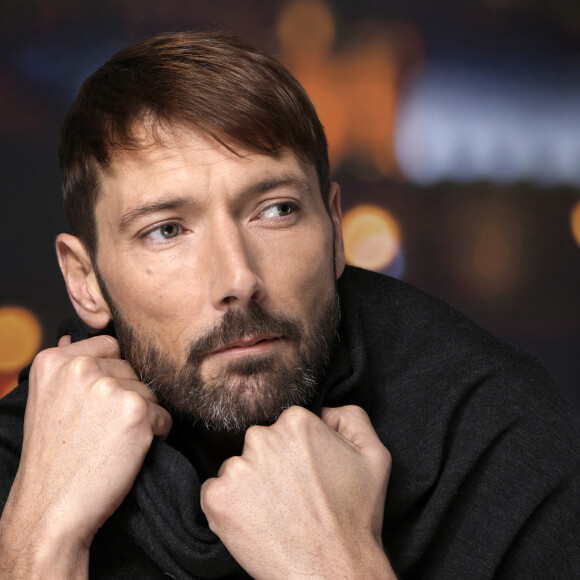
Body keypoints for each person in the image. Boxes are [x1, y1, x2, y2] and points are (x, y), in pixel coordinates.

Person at [0, 31, 578, 580]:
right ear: (85, 281)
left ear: (334, 228)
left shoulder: (508, 441)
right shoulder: (27, 457)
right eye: (167, 230)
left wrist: (334, 563)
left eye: (276, 210)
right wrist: (41, 541)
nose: (239, 278)